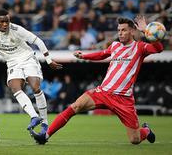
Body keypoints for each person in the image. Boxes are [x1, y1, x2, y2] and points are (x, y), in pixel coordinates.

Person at [30, 16, 163, 145]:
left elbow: (159, 49)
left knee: (135, 139)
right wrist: (84, 56)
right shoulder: (115, 45)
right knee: (75, 106)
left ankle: (146, 130)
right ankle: (45, 136)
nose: (120, 33)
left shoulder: (140, 48)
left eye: (124, 30)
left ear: (132, 31)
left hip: (123, 99)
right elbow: (101, 54)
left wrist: (147, 30)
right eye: (118, 30)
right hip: (103, 92)